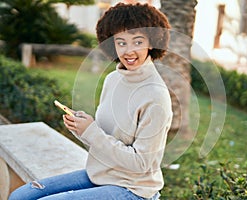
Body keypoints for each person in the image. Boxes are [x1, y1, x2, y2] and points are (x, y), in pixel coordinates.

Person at [9, 2, 172, 200]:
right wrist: (82, 128)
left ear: (152, 42)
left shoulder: (155, 94)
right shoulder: (113, 79)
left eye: (137, 42)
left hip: (133, 189)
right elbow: (105, 137)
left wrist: (91, 131)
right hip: (101, 174)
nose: (128, 51)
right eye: (121, 42)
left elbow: (141, 164)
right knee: (20, 196)